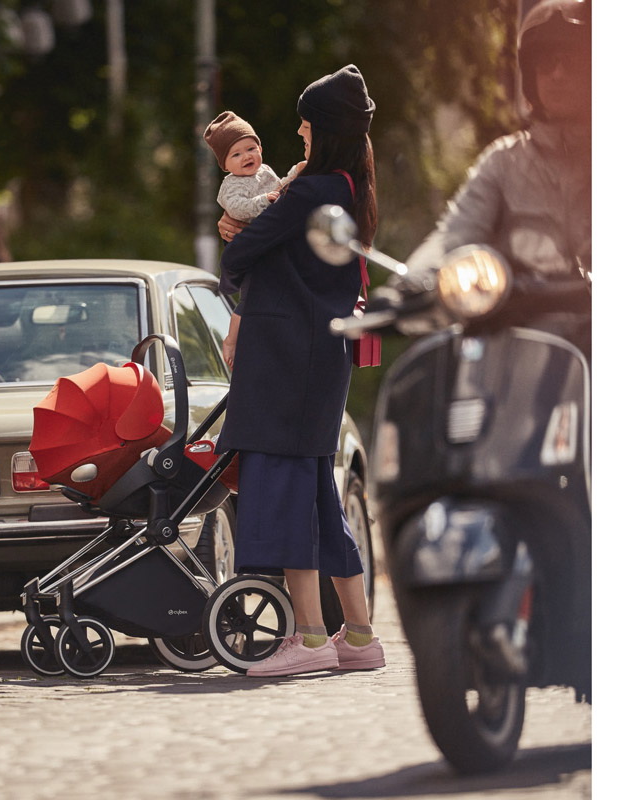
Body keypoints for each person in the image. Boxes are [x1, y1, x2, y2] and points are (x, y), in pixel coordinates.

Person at [215, 64, 385, 678]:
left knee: (285, 491)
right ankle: (358, 634)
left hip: (286, 361)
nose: (299, 133)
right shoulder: (349, 187)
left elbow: (241, 255)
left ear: (327, 129)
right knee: (317, 494)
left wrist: (239, 231)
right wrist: (251, 230)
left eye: (307, 124)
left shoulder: (311, 191)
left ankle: (311, 639)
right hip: (316, 359)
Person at [404, 0, 591, 286]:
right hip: (524, 314)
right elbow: (453, 237)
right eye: (546, 64)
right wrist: (407, 285)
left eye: (571, 62)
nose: (557, 74)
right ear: (530, 78)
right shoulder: (505, 162)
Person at [203, 110, 305, 368]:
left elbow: (281, 189)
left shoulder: (265, 172)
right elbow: (237, 209)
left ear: (260, 148)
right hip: (248, 245)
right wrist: (263, 200)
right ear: (226, 165)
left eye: (251, 148)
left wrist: (295, 173)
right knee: (249, 297)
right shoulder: (231, 185)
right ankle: (231, 339)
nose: (247, 156)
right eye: (236, 154)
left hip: (269, 244)